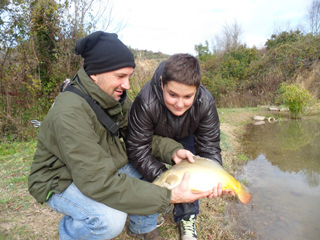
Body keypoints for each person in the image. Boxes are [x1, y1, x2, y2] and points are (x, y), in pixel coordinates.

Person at [27, 32, 220, 240]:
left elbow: (138, 138)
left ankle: (142, 228)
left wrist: (173, 151)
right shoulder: (69, 114)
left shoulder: (113, 97)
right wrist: (167, 196)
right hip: (60, 179)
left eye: (129, 77)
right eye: (120, 76)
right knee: (109, 221)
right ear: (95, 74)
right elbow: (97, 181)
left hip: (99, 166)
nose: (127, 85)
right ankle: (70, 233)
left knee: (150, 166)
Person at [126, 53, 235, 240]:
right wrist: (166, 180)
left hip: (188, 138)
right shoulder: (144, 101)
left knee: (192, 170)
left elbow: (209, 147)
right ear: (162, 83)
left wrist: (214, 178)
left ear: (197, 89)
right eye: (172, 94)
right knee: (148, 172)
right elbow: (137, 148)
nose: (179, 104)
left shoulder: (206, 102)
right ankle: (146, 219)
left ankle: (187, 217)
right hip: (155, 138)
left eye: (188, 97)